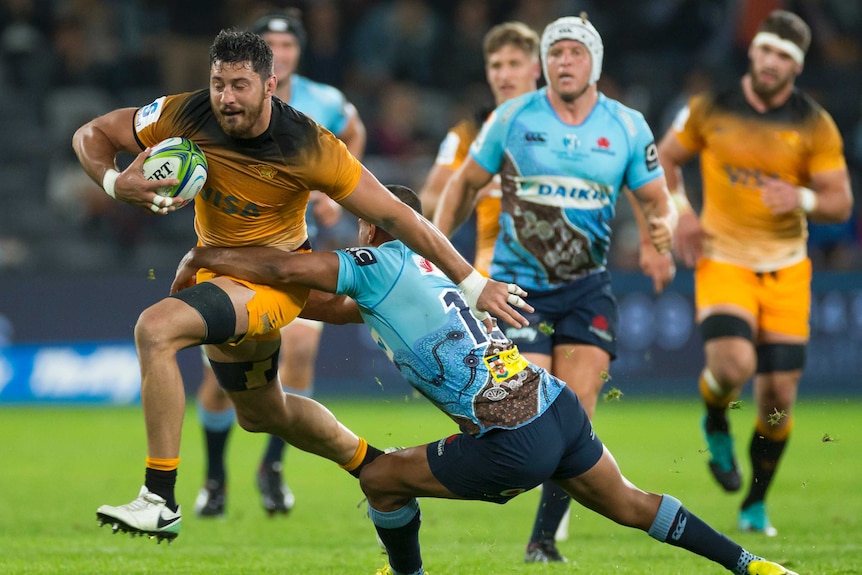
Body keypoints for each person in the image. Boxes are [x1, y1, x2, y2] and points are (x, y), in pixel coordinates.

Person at [171, 184, 798, 575]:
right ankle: (749, 565)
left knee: (382, 480)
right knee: (633, 504)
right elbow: (315, 301)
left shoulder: (375, 258)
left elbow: (288, 267)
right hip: (554, 409)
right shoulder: (431, 271)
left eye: (364, 220)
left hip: (509, 440)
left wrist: (208, 256)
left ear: (377, 225)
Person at [72, 29, 529, 543]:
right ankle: (375, 469)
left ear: (270, 86)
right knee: (262, 412)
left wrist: (471, 282)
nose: (226, 97)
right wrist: (116, 182)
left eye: (240, 85)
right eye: (218, 83)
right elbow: (92, 134)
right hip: (220, 276)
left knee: (156, 329)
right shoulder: (185, 114)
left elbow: (397, 216)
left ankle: (160, 498)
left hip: (273, 281)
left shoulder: (310, 145)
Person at [432, 14, 677, 562]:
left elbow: (660, 199)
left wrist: (660, 235)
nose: (564, 61)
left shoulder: (628, 125)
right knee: (540, 410)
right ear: (544, 64)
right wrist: (437, 252)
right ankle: (522, 503)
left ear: (595, 61)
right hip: (522, 292)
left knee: (581, 408)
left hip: (588, 287)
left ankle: (543, 539)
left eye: (575, 52)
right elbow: (462, 184)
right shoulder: (513, 117)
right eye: (555, 53)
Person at [657, 9, 853, 536]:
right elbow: (665, 160)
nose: (771, 62)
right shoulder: (710, 107)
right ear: (753, 51)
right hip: (725, 260)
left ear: (798, 65)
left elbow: (841, 202)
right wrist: (684, 213)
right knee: (732, 364)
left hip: (787, 270)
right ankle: (716, 417)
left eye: (784, 56)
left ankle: (755, 502)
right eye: (766, 50)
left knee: (776, 403)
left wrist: (804, 195)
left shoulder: (813, 122)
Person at [193, 9, 368, 520]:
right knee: (220, 377)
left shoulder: (325, 102)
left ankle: (271, 469)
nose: (283, 53)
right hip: (236, 247)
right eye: (273, 44)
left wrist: (335, 190)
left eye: (288, 45)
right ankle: (216, 476)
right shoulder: (226, 100)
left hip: (298, 246)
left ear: (294, 55)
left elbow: (353, 131)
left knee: (300, 351)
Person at [419, 21, 541, 277]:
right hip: (492, 283)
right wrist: (469, 188)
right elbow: (428, 204)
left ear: (535, 69)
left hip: (559, 278)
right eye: (497, 65)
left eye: (514, 64)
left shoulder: (560, 126)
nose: (504, 75)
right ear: (487, 72)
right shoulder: (468, 135)